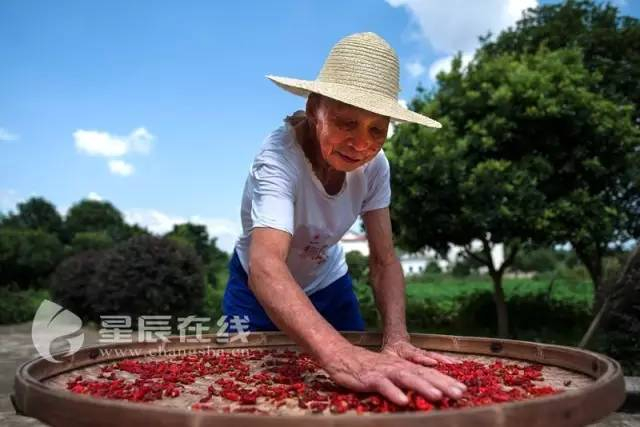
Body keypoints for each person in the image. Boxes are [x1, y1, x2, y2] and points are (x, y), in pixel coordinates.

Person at [222, 32, 467, 406]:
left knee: (362, 391)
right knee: (245, 393)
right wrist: (340, 355)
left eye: (376, 129)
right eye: (346, 122)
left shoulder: (376, 167)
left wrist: (396, 337)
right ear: (314, 109)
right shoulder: (278, 158)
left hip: (328, 284)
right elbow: (266, 266)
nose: (361, 144)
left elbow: (384, 260)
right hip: (255, 291)